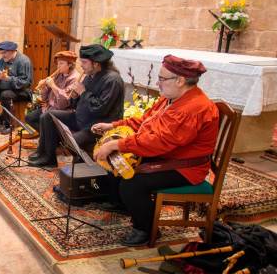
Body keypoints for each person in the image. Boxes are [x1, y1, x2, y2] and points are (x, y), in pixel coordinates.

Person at [92, 55, 219, 247]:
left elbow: (159, 142)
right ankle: (125, 205)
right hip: (168, 155)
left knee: (132, 183)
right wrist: (113, 125)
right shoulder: (171, 98)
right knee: (117, 163)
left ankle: (146, 228)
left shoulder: (194, 107)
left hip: (185, 167)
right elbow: (144, 121)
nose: (158, 83)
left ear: (180, 80)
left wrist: (116, 145)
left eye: (162, 78)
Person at [29, 44, 124, 168]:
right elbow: (79, 102)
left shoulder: (112, 80)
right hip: (82, 117)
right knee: (48, 116)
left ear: (96, 63)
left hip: (97, 125)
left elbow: (100, 109)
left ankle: (77, 178)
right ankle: (48, 157)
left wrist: (83, 93)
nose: (81, 65)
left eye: (84, 62)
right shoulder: (90, 75)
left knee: (72, 142)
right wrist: (74, 97)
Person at [25, 50, 80, 131]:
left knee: (43, 119)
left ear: (70, 64)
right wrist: (44, 87)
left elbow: (64, 103)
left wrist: (53, 85)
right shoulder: (59, 75)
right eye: (57, 63)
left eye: (61, 63)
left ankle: (50, 136)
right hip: (50, 107)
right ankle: (47, 135)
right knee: (29, 118)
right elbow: (45, 98)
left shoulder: (75, 78)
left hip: (63, 110)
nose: (58, 66)